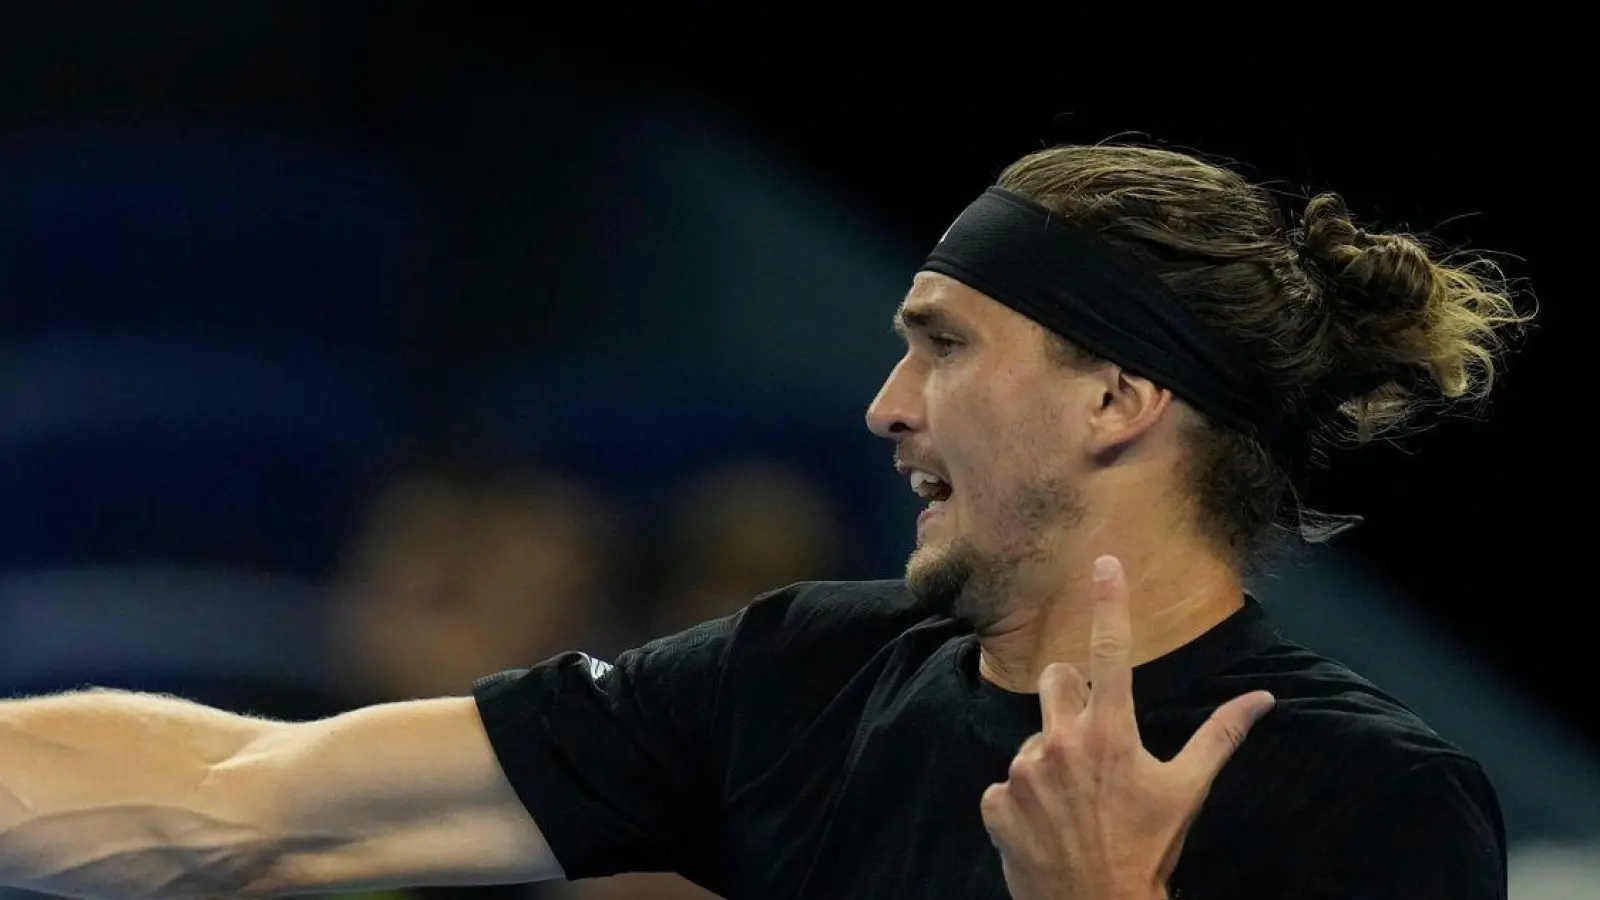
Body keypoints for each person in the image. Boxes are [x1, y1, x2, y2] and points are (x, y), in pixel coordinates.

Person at [0, 142, 1532, 900]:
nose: (886, 406)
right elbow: (240, 795)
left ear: (1117, 398)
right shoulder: (801, 678)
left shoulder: (1371, 802)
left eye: (943, 346)